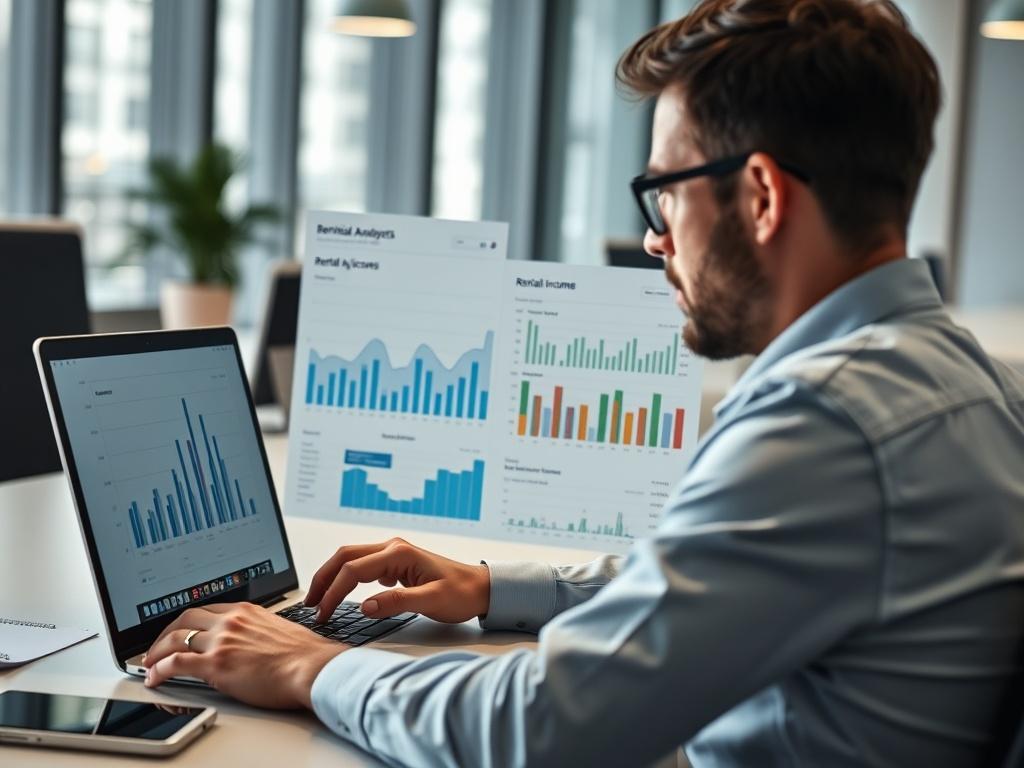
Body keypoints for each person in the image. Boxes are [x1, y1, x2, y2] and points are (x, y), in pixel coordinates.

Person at [141, 0, 1024, 765]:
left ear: (760, 197)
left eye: (664, 193)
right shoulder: (960, 379)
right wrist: (494, 587)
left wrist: (311, 665)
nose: (653, 238)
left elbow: (541, 731)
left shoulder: (824, 421)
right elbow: (712, 580)